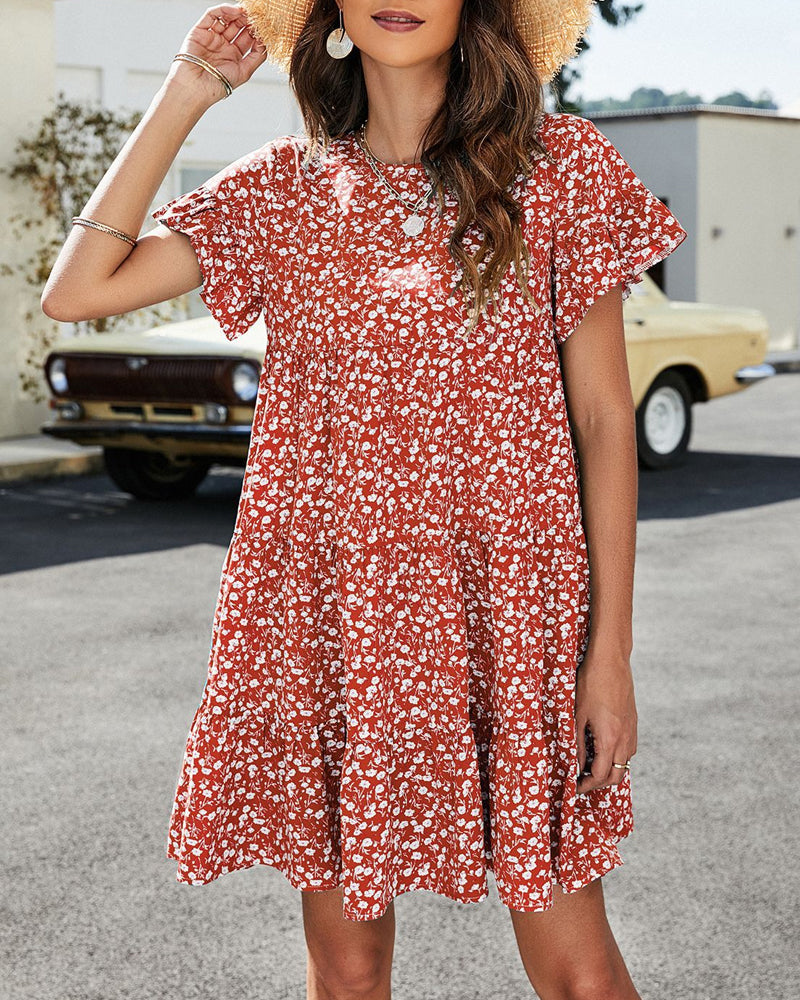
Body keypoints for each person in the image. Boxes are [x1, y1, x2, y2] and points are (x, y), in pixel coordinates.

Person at [42, 1, 688, 997]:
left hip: (514, 617)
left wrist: (610, 656)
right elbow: (77, 291)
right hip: (334, 622)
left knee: (580, 974)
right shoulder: (281, 190)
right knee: (347, 969)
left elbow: (605, 423)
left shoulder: (560, 167)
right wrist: (188, 92)